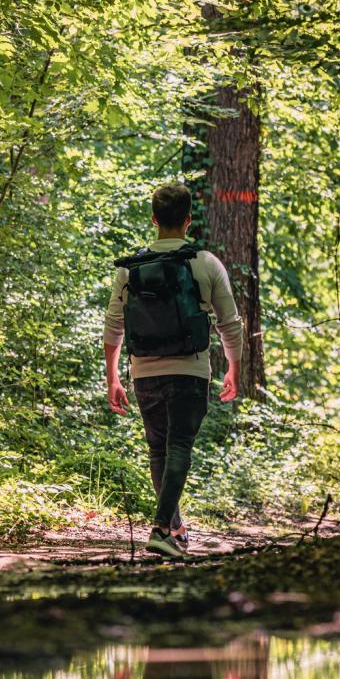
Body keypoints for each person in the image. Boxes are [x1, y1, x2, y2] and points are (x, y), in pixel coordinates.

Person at [103, 182, 243, 557]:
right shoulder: (205, 262)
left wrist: (113, 377)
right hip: (190, 370)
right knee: (179, 445)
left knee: (158, 449)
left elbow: (114, 326)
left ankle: (174, 528)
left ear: (154, 219)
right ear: (188, 220)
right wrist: (234, 367)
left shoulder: (131, 267)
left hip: (144, 370)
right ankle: (162, 528)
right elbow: (229, 324)